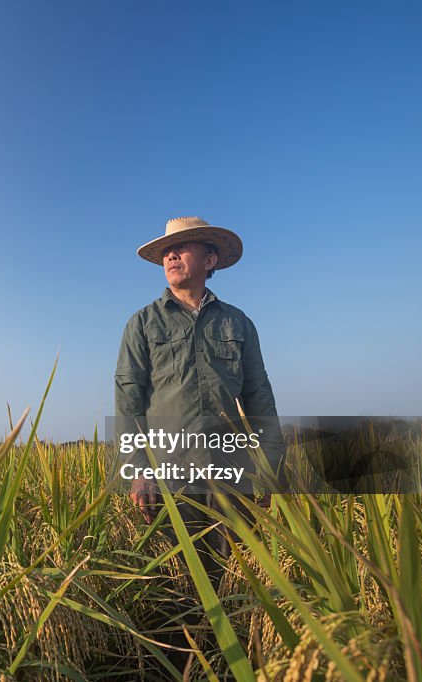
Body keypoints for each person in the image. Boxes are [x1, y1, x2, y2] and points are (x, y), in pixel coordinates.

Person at [114, 215, 285, 587]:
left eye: (181, 247)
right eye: (166, 251)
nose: (171, 255)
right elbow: (129, 402)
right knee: (180, 588)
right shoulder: (142, 324)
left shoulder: (238, 324)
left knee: (237, 580)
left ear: (209, 261)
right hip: (170, 476)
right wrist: (139, 469)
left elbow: (260, 399)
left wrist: (270, 469)